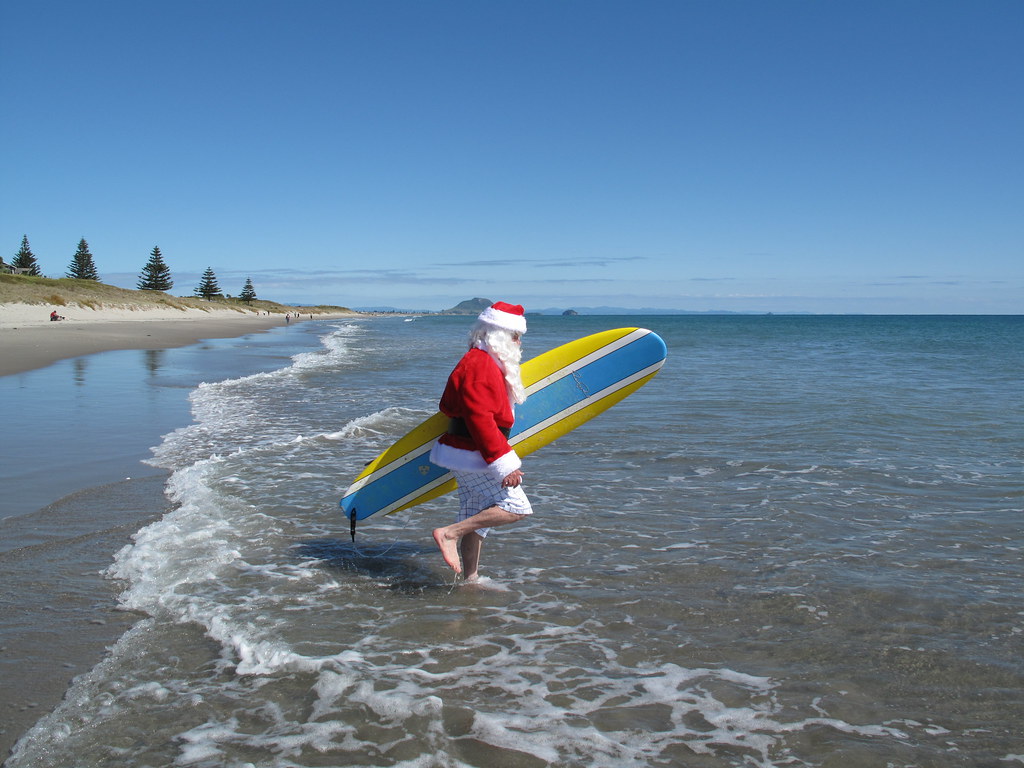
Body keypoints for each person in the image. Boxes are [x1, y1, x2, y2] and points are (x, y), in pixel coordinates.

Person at [429, 301, 532, 580]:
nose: (519, 342)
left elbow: (446, 405)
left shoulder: (479, 360)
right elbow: (479, 419)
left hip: (468, 452)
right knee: (516, 508)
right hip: (476, 454)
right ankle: (448, 533)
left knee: (474, 517)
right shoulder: (480, 364)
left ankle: (470, 581)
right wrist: (504, 464)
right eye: (515, 336)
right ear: (499, 334)